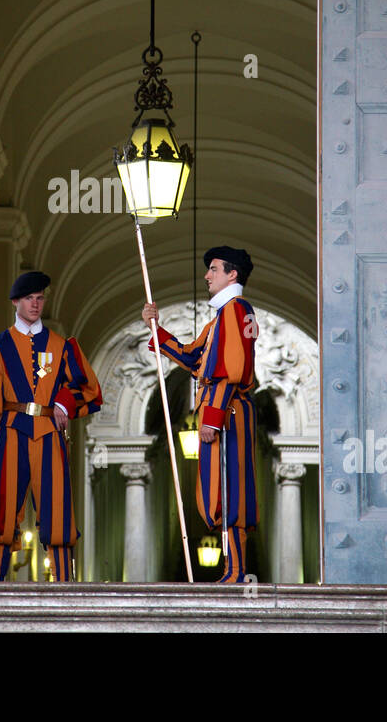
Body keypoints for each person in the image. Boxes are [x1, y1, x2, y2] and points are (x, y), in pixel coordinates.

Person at [0, 270, 103, 581]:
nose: (36, 304)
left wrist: (64, 402)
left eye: (40, 298)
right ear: (16, 302)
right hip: (10, 431)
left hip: (48, 431)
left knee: (58, 507)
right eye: (29, 299)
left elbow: (88, 388)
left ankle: (65, 585)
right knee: (0, 505)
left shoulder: (61, 345)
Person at [142, 245, 258, 582]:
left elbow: (232, 371)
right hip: (223, 412)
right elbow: (194, 359)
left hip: (228, 413)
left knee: (230, 490)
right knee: (218, 490)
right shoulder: (221, 318)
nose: (207, 275)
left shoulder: (236, 310)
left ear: (232, 274)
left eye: (214, 269)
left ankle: (236, 571)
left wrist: (212, 416)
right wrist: (155, 329)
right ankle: (230, 568)